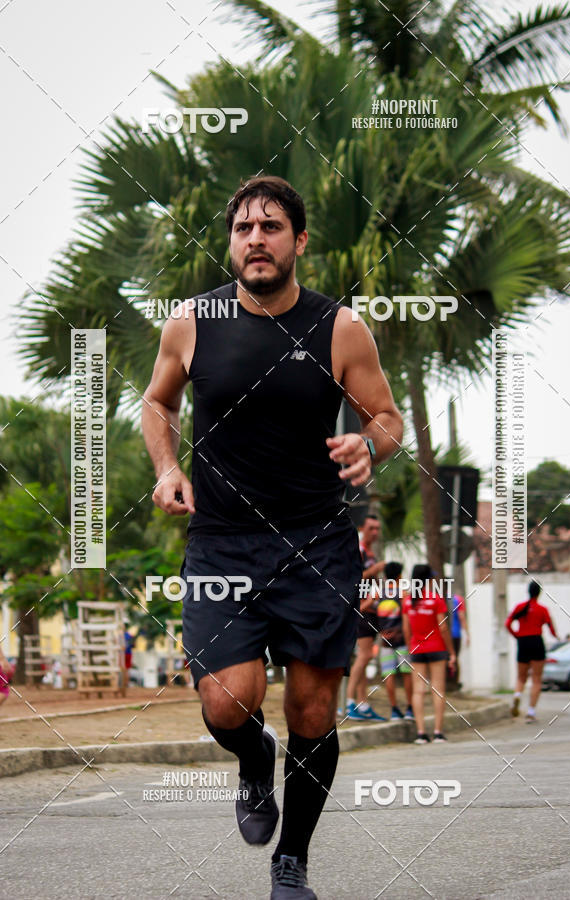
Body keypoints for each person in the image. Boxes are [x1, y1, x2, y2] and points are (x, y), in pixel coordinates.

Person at [141, 175, 404, 899]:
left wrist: (368, 447)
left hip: (316, 542)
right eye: (244, 229)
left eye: (272, 227)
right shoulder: (192, 322)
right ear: (230, 242)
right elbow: (157, 402)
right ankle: (254, 759)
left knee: (314, 710)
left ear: (299, 241)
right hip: (222, 540)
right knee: (228, 702)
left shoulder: (339, 328)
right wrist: (167, 468)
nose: (255, 239)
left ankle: (292, 861)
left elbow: (386, 417)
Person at [402, 564, 455, 743]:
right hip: (437, 648)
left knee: (418, 691)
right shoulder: (436, 599)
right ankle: (438, 732)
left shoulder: (408, 601)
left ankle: (421, 733)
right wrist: (451, 652)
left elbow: (406, 628)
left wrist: (412, 646)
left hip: (417, 649)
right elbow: (444, 627)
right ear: (429, 579)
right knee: (438, 690)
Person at [346, 514, 387, 721]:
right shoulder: (359, 550)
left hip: (371, 609)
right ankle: (349, 702)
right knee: (363, 656)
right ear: (362, 528)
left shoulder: (370, 552)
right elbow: (353, 577)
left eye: (378, 529)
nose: (375, 533)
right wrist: (375, 570)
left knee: (364, 656)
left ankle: (362, 704)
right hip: (362, 609)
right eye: (371, 528)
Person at [505, 580, 558, 723]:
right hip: (536, 642)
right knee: (536, 679)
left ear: (528, 591)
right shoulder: (542, 609)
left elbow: (507, 623)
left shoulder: (520, 607)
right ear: (539, 593)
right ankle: (531, 712)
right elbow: (551, 628)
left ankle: (517, 695)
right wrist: (556, 636)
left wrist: (516, 635)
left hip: (523, 642)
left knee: (521, 677)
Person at [376, 562, 414, 719]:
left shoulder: (379, 593)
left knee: (388, 674)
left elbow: (364, 607)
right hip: (402, 639)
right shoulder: (404, 593)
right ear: (399, 576)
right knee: (406, 673)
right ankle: (410, 709)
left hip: (385, 640)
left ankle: (394, 710)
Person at [448, 592, 469, 689]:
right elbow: (462, 617)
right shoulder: (457, 599)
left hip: (444, 635)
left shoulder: (438, 597)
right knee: (455, 658)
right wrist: (467, 634)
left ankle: (449, 681)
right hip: (456, 634)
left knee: (446, 658)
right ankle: (455, 682)